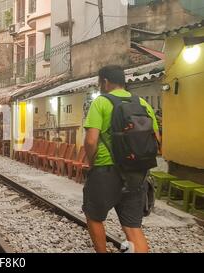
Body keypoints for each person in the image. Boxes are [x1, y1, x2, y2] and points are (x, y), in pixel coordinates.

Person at [83, 65, 160, 253]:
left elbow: (91, 140)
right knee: (133, 228)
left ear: (105, 82)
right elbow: (157, 139)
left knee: (94, 216)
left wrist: (92, 163)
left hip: (105, 170)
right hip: (136, 173)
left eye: (99, 82)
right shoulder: (143, 103)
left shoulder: (100, 102)